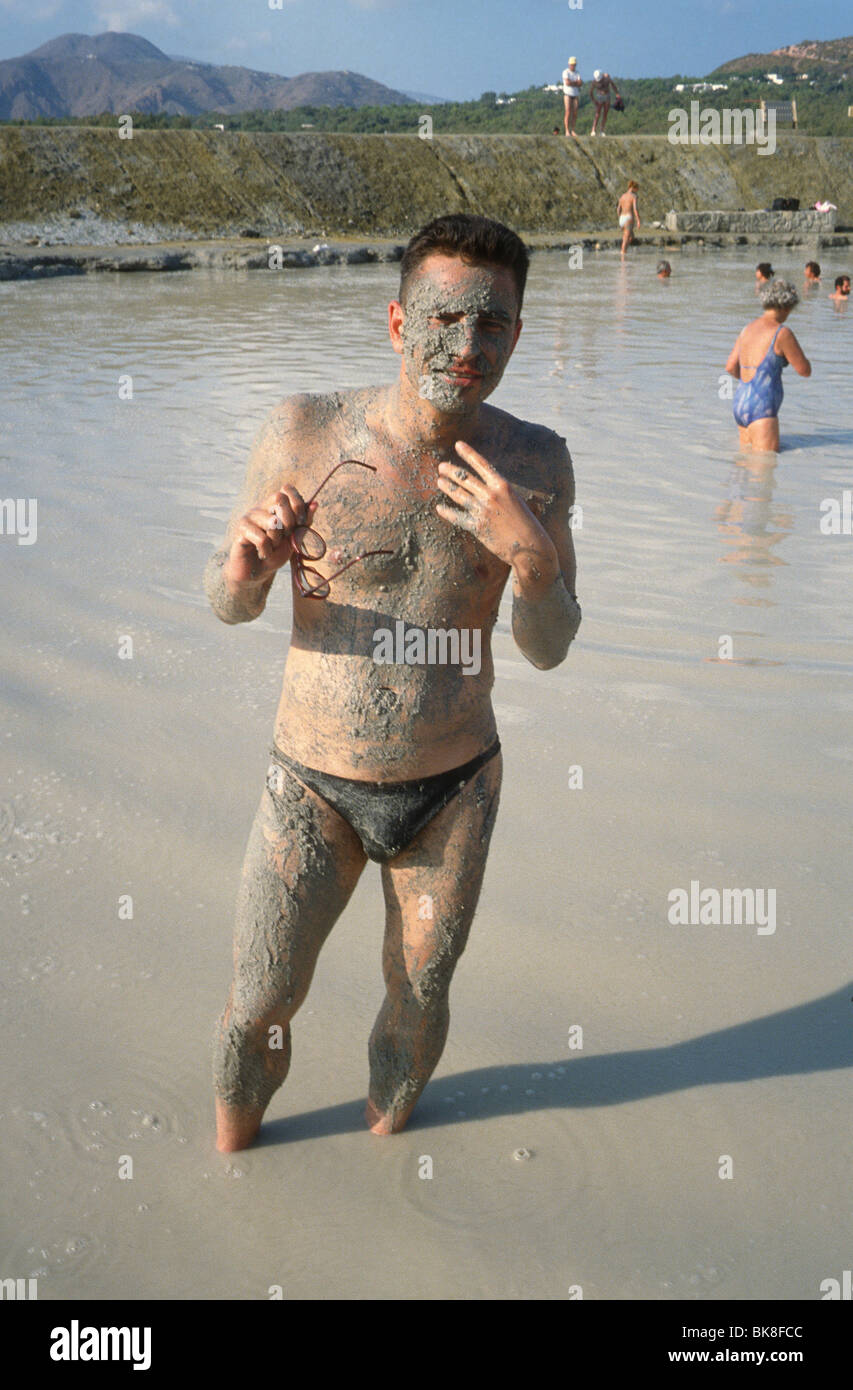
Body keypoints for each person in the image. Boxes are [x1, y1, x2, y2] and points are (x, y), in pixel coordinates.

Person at [204, 213, 581, 1151]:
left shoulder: (535, 463)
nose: (466, 346)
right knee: (258, 1003)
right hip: (310, 784)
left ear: (517, 334)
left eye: (491, 324)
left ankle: (388, 1182)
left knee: (419, 994)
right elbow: (226, 600)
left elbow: (549, 647)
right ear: (397, 322)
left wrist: (531, 561)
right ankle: (233, 1170)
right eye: (443, 319)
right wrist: (247, 569)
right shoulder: (301, 431)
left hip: (452, 788)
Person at [724, 280, 811, 452]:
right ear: (786, 307)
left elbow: (730, 367)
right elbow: (804, 371)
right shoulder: (782, 333)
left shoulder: (746, 329)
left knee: (744, 466)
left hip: (740, 402)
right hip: (762, 407)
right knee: (765, 472)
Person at [589, 71, 620, 136]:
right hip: (599, 96)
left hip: (607, 96)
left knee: (605, 113)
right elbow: (590, 92)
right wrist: (594, 101)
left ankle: (602, 130)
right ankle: (593, 129)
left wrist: (617, 93)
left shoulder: (607, 78)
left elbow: (613, 85)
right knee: (597, 114)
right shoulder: (594, 81)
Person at [617, 180, 640, 258]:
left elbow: (618, 209)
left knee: (630, 237)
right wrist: (638, 220)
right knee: (626, 238)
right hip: (628, 218)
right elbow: (635, 209)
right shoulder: (634, 196)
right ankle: (623, 258)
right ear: (634, 188)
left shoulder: (622, 196)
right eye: (637, 188)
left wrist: (620, 218)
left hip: (622, 218)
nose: (638, 190)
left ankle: (625, 251)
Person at [561, 56, 582, 138]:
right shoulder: (566, 72)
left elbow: (580, 83)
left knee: (575, 112)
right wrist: (575, 83)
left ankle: (573, 130)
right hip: (567, 94)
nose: (573, 66)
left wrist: (573, 82)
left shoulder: (577, 73)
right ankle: (567, 130)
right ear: (569, 64)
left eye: (574, 64)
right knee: (568, 111)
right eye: (572, 64)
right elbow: (567, 83)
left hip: (575, 94)